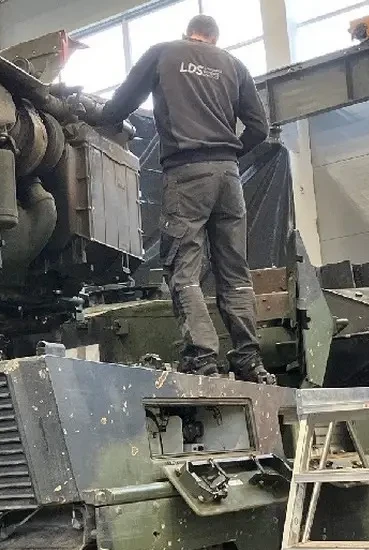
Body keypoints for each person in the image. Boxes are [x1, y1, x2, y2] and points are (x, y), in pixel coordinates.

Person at [93, 14, 274, 383]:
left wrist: (94, 117)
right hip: (228, 178)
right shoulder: (234, 65)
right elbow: (259, 128)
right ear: (214, 38)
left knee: (184, 271)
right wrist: (229, 155)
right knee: (235, 272)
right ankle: (250, 361)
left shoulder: (164, 53)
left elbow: (120, 106)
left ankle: (202, 357)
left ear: (187, 34)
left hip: (187, 174)